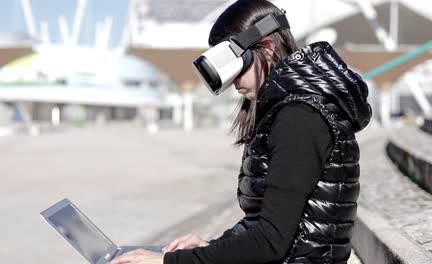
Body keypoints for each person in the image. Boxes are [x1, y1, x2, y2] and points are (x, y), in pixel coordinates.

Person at [109, 0, 372, 263]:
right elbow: (264, 223)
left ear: (267, 49)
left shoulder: (300, 118)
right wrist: (211, 246)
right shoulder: (290, 111)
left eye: (236, 68)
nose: (232, 82)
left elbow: (271, 241)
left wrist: (169, 262)